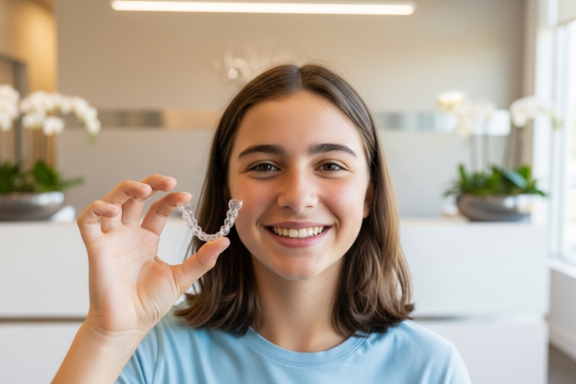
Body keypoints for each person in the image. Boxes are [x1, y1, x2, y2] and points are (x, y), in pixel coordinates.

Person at [52, 64, 471, 384]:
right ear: (226, 189)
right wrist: (106, 334)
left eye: (329, 165)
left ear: (368, 195)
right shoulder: (151, 350)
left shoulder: (430, 368)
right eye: (265, 165)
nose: (297, 197)